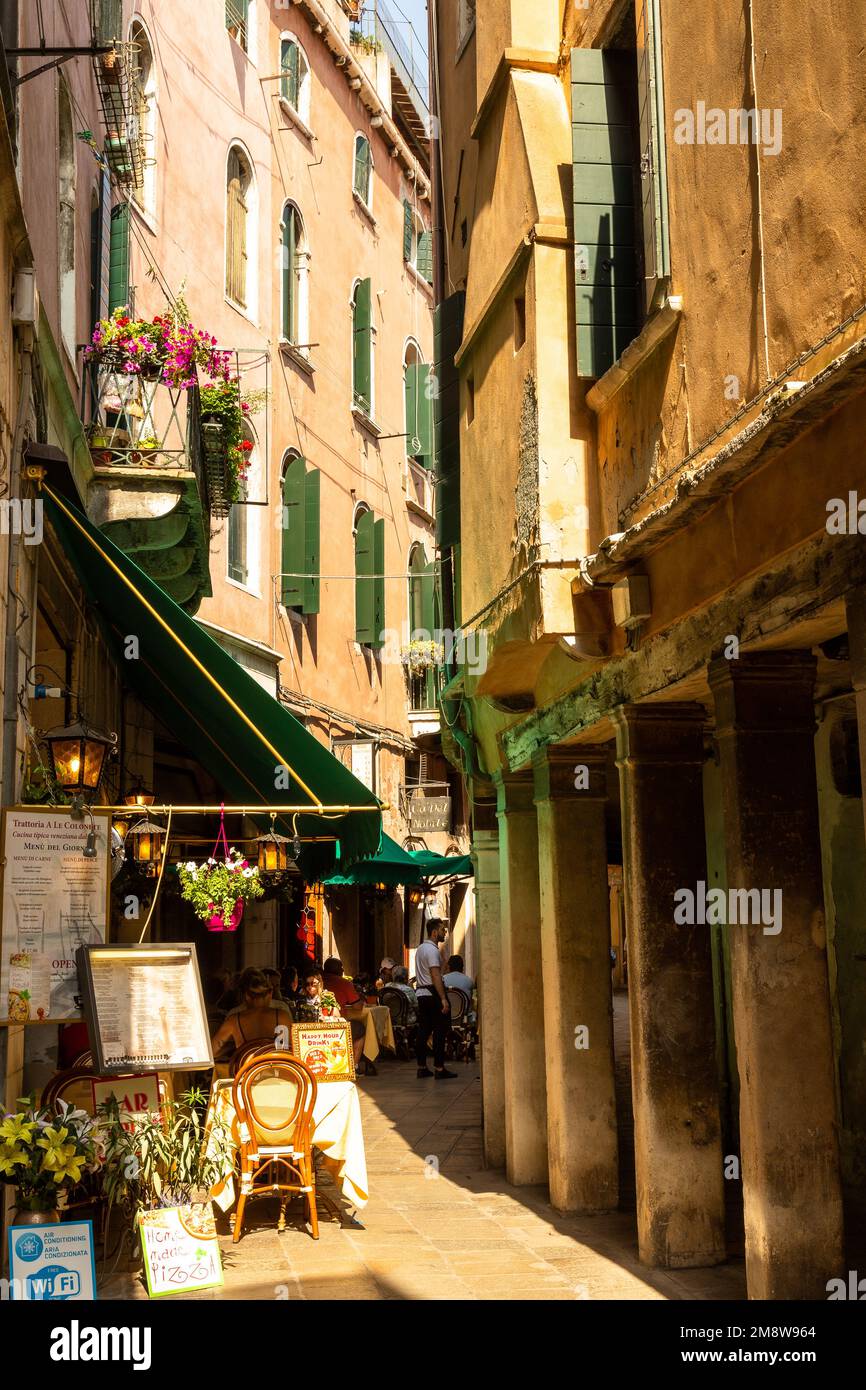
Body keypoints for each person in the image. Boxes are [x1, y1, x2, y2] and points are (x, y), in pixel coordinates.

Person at [210, 969, 287, 1058]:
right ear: (270, 993)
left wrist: (236, 1046)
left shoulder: (234, 1020)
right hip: (277, 1069)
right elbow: (291, 1049)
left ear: (246, 996)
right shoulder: (282, 1016)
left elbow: (212, 1051)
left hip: (247, 1070)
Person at [415, 919, 456, 1079]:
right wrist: (443, 998)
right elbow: (435, 975)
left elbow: (442, 968)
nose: (445, 933)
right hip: (433, 994)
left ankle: (422, 1067)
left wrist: (442, 955)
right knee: (440, 1030)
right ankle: (439, 1068)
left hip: (422, 994)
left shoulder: (422, 949)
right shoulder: (431, 951)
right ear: (434, 932)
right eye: (442, 930)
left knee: (424, 1030)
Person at [321, 959, 373, 1073]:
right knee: (360, 1029)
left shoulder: (319, 980)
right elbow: (357, 1007)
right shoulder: (344, 983)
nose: (343, 970)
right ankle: (353, 1066)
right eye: (341, 967)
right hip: (337, 1025)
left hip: (318, 1023)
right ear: (337, 969)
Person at [225, 966, 293, 1018]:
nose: (275, 990)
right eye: (253, 994)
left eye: (277, 986)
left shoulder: (281, 1008)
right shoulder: (234, 1015)